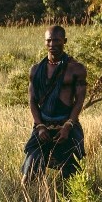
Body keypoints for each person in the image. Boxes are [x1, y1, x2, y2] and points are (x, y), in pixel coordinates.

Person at [21, 25, 87, 184]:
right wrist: (40, 126)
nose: (52, 44)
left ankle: (68, 198)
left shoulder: (76, 69)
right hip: (42, 125)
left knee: (72, 174)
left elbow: (79, 100)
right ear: (45, 42)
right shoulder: (36, 70)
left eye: (56, 40)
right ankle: (28, 198)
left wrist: (68, 126)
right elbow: (32, 100)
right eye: (49, 40)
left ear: (65, 41)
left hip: (66, 125)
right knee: (30, 171)